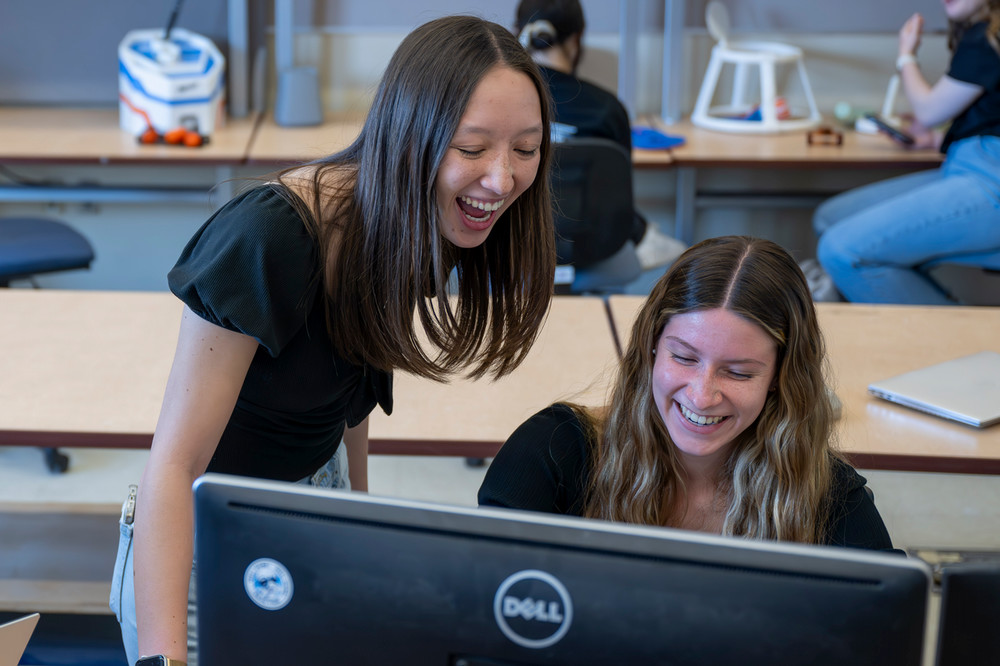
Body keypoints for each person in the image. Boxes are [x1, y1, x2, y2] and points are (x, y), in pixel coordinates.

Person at [111, 15, 556, 666]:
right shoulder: (268, 241)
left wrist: (358, 535)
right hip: (206, 537)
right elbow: (175, 467)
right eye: (472, 147)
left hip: (308, 514)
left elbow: (352, 397)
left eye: (526, 147)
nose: (502, 178)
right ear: (410, 136)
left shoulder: (413, 218)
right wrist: (163, 658)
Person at [480, 236, 896, 551]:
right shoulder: (553, 452)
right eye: (684, 358)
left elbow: (888, 626)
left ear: (780, 377)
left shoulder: (829, 495)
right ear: (653, 346)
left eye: (738, 373)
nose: (701, 396)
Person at [814, 0, 1000, 304]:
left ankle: (956, 340)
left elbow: (928, 110)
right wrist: (932, 141)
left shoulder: (987, 38)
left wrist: (906, 54)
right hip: (970, 166)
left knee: (841, 250)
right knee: (829, 219)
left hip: (990, 180)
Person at [515, 0, 686, 272]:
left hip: (511, 248)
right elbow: (620, 197)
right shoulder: (607, 108)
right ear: (577, 39)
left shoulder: (500, 104)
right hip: (595, 249)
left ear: (518, 32)